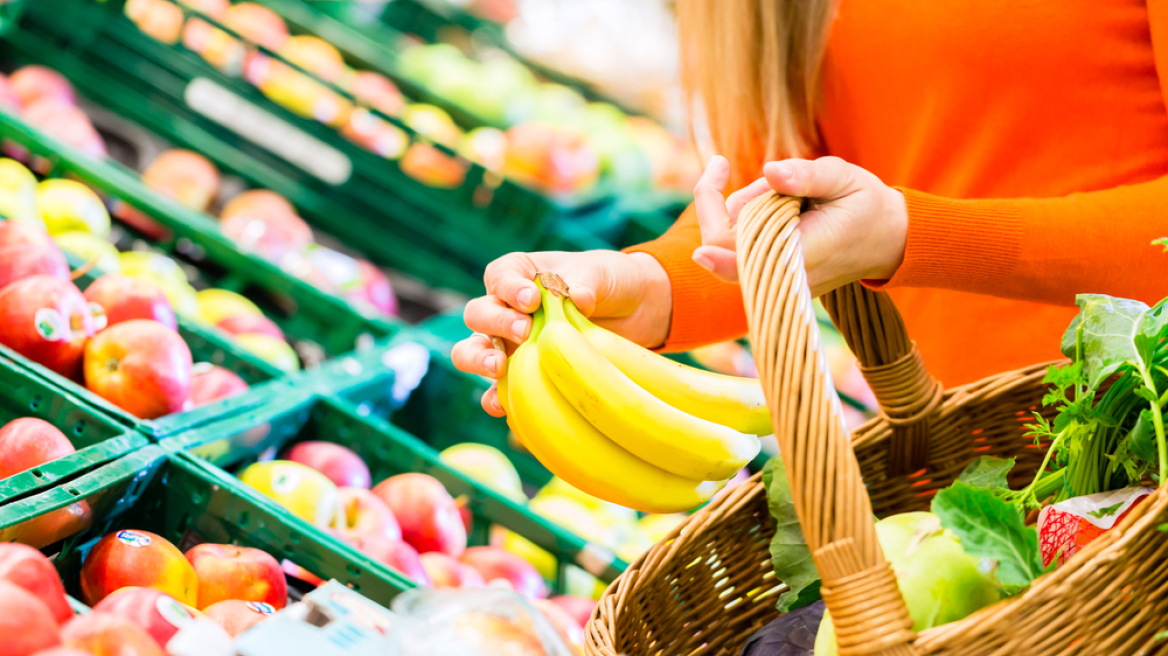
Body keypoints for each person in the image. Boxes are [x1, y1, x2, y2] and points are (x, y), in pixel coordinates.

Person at [453, 0, 1168, 417]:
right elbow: (765, 204)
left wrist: (911, 237)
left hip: (1145, 431)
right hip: (993, 481)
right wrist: (650, 288)